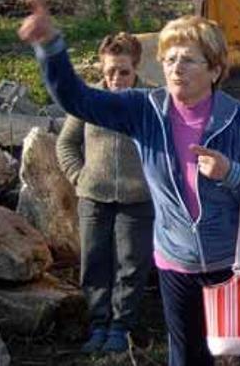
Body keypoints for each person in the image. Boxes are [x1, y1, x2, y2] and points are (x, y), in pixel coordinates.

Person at [18, 4, 240, 366]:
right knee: (188, 358)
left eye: (189, 60)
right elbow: (78, 100)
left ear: (215, 70)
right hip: (179, 264)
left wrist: (231, 173)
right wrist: (50, 46)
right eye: (170, 58)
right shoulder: (145, 110)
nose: (176, 67)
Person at [55, 32, 153, 354]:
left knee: (130, 264)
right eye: (110, 71)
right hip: (93, 196)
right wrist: (78, 175)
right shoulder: (89, 98)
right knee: (94, 262)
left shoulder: (149, 101)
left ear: (136, 67)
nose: (116, 78)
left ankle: (121, 328)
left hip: (137, 199)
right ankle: (98, 325)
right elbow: (66, 143)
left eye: (123, 71)